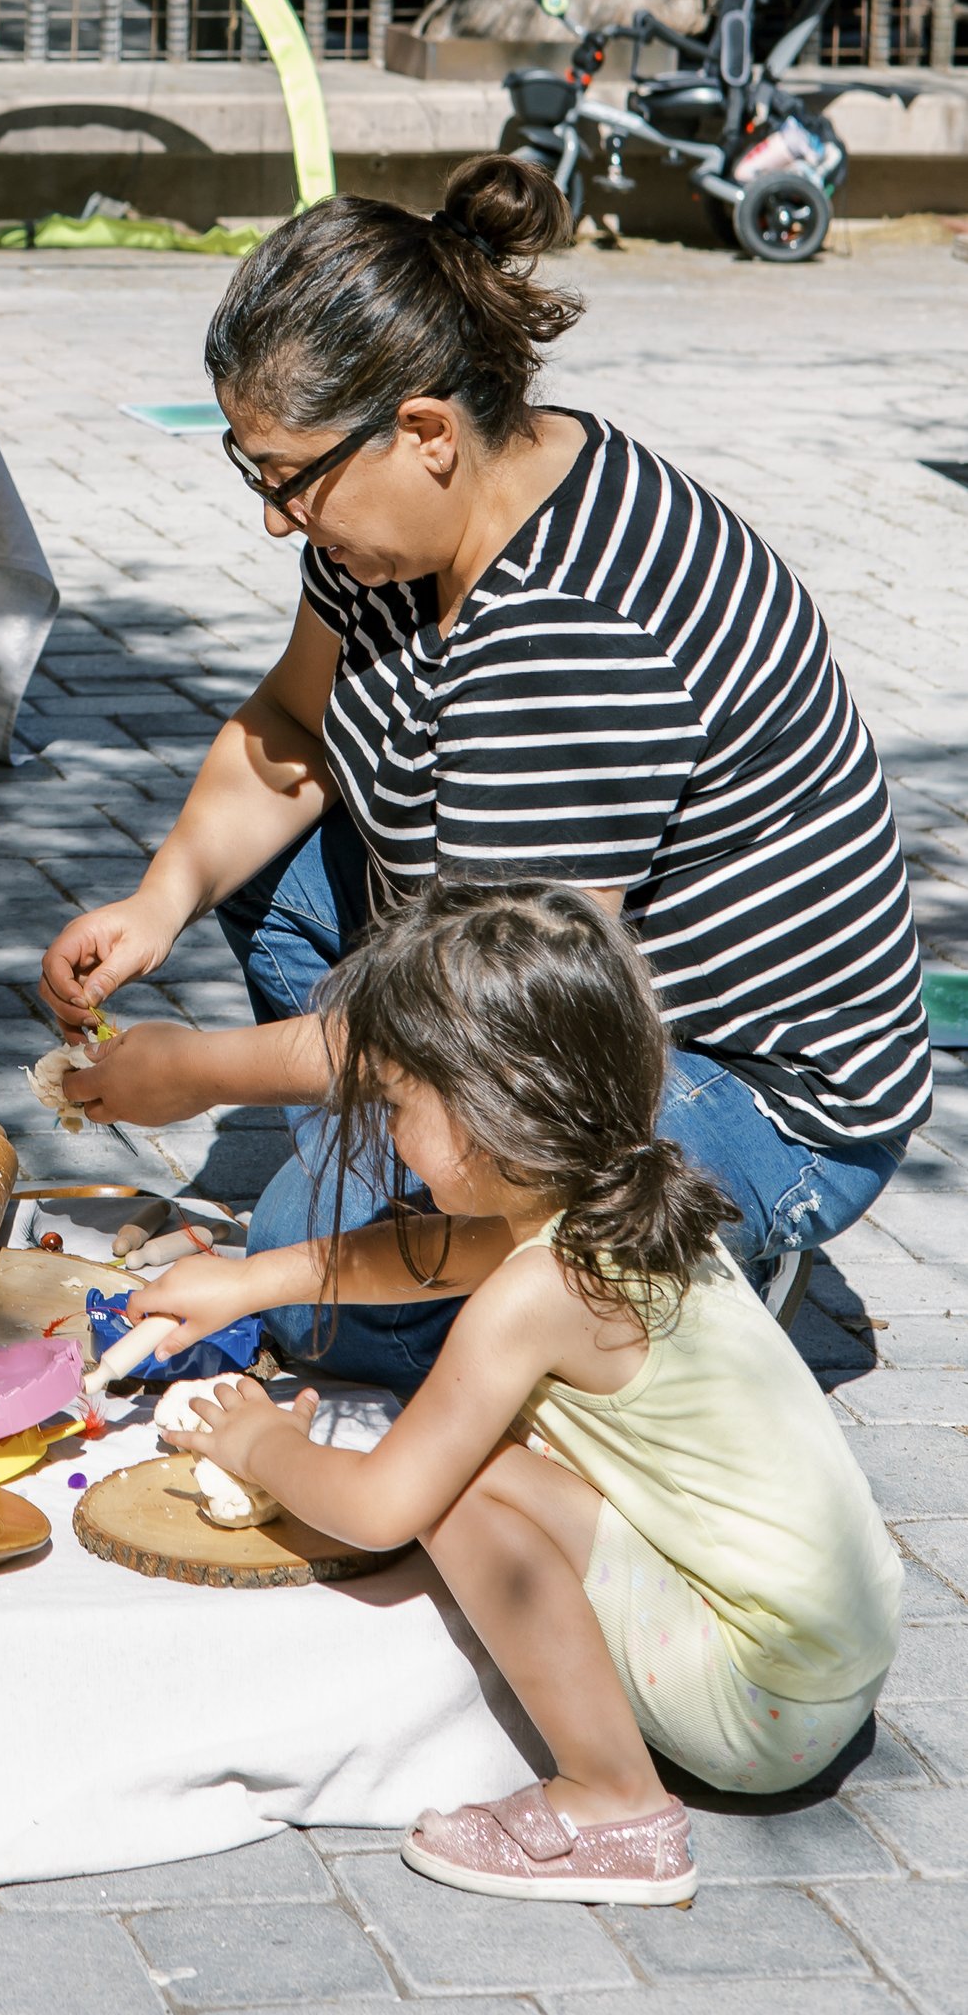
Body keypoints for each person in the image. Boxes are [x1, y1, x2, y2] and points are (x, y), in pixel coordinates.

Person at [45, 152, 927, 1383]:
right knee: (269, 882)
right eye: (255, 475)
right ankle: (408, 1156)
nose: (272, 518)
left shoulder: (571, 629)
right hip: (521, 991)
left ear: (424, 432)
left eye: (286, 481)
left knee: (314, 1291)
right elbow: (290, 733)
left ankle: (648, 1249)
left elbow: (495, 1016)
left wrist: (192, 1074)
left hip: (738, 1085)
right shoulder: (397, 535)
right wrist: (159, 898)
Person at [133, 879, 903, 1901]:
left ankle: (611, 1805)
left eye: (399, 1106)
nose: (388, 1136)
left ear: (487, 1113)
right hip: (831, 1658)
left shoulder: (537, 1292)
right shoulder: (624, 1195)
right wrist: (245, 1280)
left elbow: (375, 1510)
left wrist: (256, 1445)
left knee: (455, 1482)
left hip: (757, 1703)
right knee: (485, 1458)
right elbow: (445, 1246)